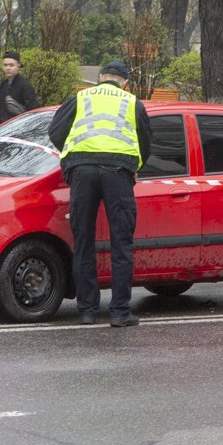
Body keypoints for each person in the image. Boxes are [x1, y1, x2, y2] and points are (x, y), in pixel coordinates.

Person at [49, 61, 152, 327]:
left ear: (101, 77)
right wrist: (134, 166)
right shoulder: (131, 102)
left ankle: (87, 310)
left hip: (82, 172)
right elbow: (146, 141)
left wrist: (75, 156)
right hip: (118, 173)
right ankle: (119, 312)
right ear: (125, 82)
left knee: (83, 240)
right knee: (121, 243)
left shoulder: (81, 97)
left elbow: (56, 131)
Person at [0, 50, 38, 125]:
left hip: (19, 128)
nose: (8, 68)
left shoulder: (25, 86)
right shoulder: (2, 85)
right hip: (3, 128)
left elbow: (33, 110)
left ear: (18, 66)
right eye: (5, 65)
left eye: (11, 65)